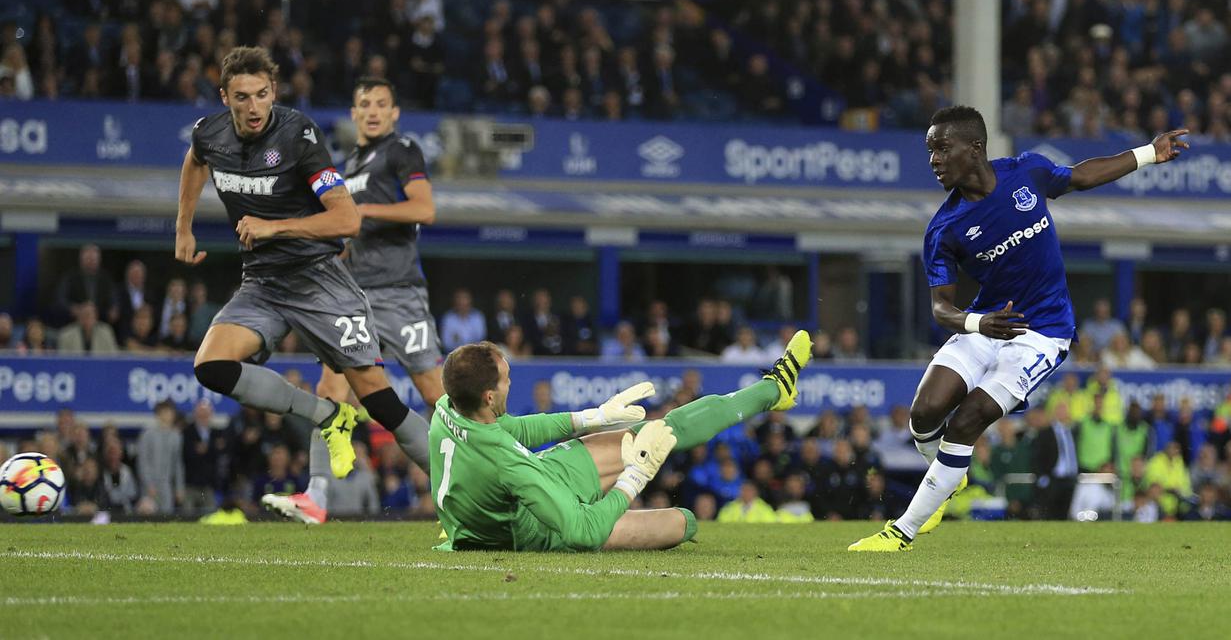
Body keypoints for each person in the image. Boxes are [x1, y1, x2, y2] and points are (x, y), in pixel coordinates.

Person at [849, 106, 1189, 551]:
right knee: (924, 413)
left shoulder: (1026, 172)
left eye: (942, 148)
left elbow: (1081, 176)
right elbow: (941, 308)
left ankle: (903, 530)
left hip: (1042, 333)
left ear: (975, 148)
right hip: (986, 323)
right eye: (930, 151)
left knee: (968, 419)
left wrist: (1148, 153)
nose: (934, 160)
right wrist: (979, 322)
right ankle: (949, 475)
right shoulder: (943, 229)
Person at [176, 46, 414, 485]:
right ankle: (326, 414)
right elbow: (195, 161)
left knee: (378, 401)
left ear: (274, 91)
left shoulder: (298, 135)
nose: (254, 107)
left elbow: (348, 220)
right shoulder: (209, 133)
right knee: (211, 366)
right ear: (225, 97)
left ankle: (460, 485)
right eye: (242, 97)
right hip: (262, 283)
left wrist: (273, 228)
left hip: (318, 277)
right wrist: (183, 227)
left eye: (262, 94)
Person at [429, 331, 812, 551]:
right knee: (683, 522)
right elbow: (582, 532)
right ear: (489, 397)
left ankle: (773, 389)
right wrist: (635, 477)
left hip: (524, 486)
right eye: (506, 379)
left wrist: (593, 417)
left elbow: (514, 430)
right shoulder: (505, 461)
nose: (512, 382)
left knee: (657, 431)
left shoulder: (450, 404)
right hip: (538, 528)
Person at [264, 77, 442, 524]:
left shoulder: (402, 150)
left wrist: (363, 213)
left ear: (394, 113)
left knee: (436, 395)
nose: (374, 111)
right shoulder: (348, 165)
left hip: (399, 292)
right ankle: (317, 496)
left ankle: (483, 483)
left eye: (382, 104)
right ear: (354, 113)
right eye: (366, 104)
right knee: (330, 390)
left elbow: (424, 210)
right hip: (352, 296)